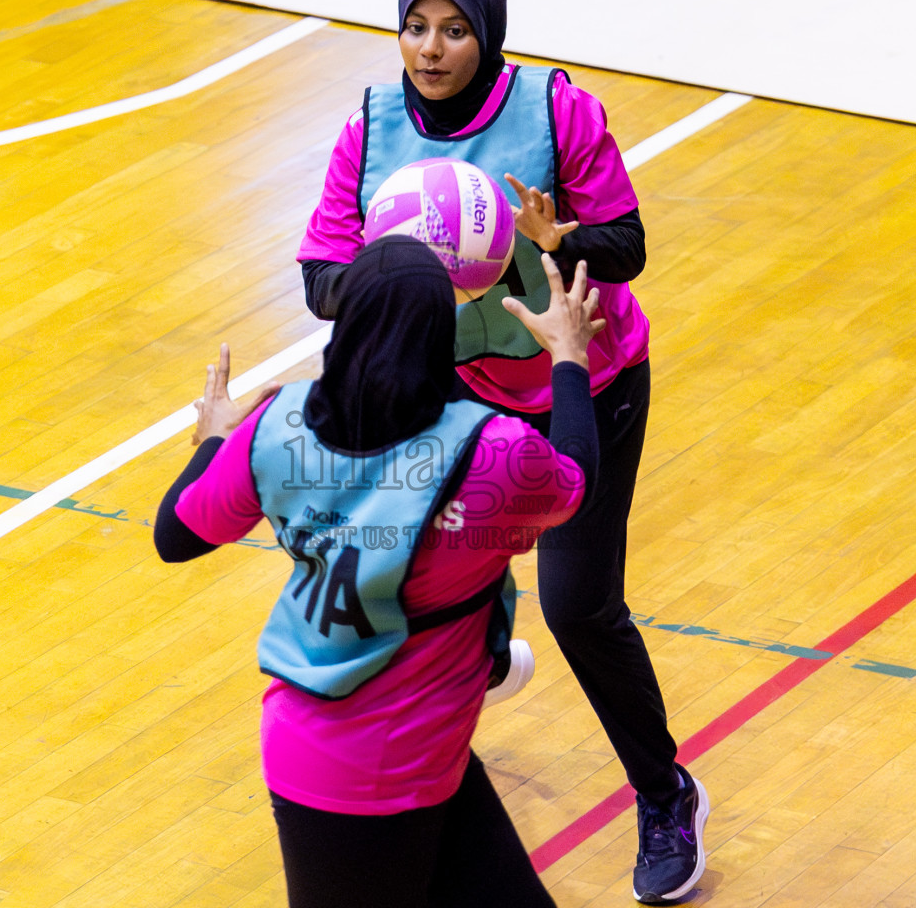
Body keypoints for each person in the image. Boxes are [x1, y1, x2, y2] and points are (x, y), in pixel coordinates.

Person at [296, 0, 708, 903]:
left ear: (489, 36)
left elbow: (629, 247)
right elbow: (320, 275)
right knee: (405, 578)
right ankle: (480, 653)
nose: (431, 49)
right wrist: (398, 260)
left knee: (578, 606)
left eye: (454, 29)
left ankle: (666, 794)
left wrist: (557, 238)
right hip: (459, 395)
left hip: (584, 381)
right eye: (416, 27)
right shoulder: (370, 127)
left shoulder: (555, 111)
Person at [156, 235, 605, 908]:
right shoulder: (496, 452)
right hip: (368, 777)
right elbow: (578, 480)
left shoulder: (273, 426)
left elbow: (177, 535)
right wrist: (568, 358)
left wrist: (219, 437)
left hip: (378, 746)